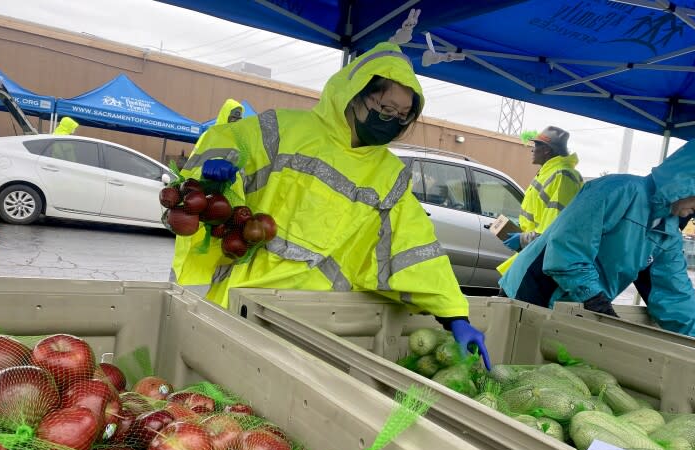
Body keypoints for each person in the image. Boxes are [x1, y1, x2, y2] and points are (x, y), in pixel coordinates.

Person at [173, 42, 490, 367]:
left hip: (315, 316)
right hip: (244, 297)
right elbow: (230, 138)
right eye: (386, 108)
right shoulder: (285, 129)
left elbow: (414, 246)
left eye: (402, 115)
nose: (392, 120)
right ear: (355, 94)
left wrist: (454, 316)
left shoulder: (390, 176)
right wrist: (215, 171)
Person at [499, 137, 695, 343]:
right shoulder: (617, 190)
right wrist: (595, 299)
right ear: (688, 182)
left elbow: (674, 297)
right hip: (532, 291)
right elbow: (566, 252)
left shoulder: (668, 233)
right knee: (510, 365)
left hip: (577, 306)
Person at [170, 98, 246, 287]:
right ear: (223, 115)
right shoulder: (210, 137)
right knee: (191, 277)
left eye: (239, 116)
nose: (236, 119)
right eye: (232, 115)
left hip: (230, 221)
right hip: (202, 217)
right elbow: (188, 175)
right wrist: (205, 174)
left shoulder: (245, 142)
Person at [497, 126, 582, 275]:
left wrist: (524, 239)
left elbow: (555, 228)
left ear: (547, 150)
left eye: (536, 145)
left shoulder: (562, 176)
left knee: (511, 295)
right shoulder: (550, 173)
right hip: (535, 252)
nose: (532, 150)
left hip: (544, 257)